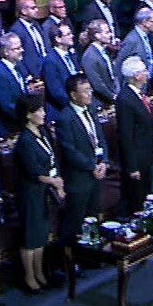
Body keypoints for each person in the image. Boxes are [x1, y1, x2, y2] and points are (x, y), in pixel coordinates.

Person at [12, 94, 63, 293]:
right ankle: (29, 276)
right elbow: (33, 171)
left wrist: (57, 181)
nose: (43, 114)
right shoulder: (25, 140)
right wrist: (53, 181)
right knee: (30, 237)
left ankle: (40, 273)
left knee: (41, 234)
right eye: (39, 111)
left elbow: (52, 159)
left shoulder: (42, 132)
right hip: (30, 192)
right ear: (27, 115)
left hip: (44, 191)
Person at [56, 75, 108, 244]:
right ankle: (68, 255)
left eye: (90, 89)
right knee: (75, 221)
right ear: (73, 95)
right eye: (85, 91)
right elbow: (70, 151)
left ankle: (91, 252)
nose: (90, 93)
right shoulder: (65, 118)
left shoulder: (90, 109)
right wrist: (92, 166)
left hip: (96, 174)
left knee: (92, 217)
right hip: (79, 178)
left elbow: (100, 138)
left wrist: (104, 161)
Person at [114, 57, 153, 214]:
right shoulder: (125, 99)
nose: (147, 73)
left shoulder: (138, 94)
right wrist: (132, 167)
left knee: (145, 197)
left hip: (146, 155)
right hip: (136, 160)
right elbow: (126, 136)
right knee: (135, 201)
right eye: (144, 70)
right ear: (136, 75)